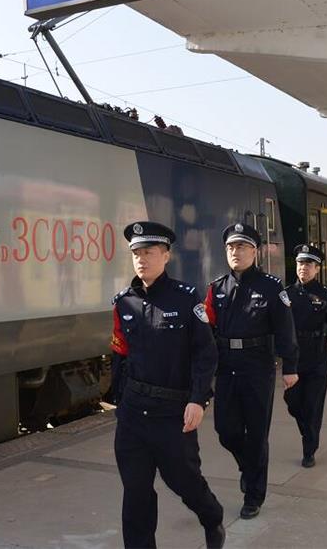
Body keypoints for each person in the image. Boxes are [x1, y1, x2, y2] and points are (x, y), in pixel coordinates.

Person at [110, 221, 225, 549]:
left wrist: (198, 399)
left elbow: (205, 353)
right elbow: (119, 355)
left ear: (166, 255)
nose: (141, 259)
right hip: (133, 416)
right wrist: (120, 402)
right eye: (136, 253)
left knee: (184, 482)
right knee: (136, 493)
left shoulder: (186, 299)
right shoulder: (124, 302)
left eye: (149, 252)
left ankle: (212, 516)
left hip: (172, 415)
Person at [204, 223, 298, 519]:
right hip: (227, 367)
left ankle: (253, 496)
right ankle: (249, 467)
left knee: (257, 433)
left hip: (258, 368)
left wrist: (290, 367)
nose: (236, 252)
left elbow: (285, 329)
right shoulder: (216, 288)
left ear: (255, 252)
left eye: (242, 247)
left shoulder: (271, 287)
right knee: (225, 431)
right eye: (231, 247)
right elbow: (207, 331)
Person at [283, 244, 327, 468]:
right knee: (292, 402)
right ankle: (307, 430)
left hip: (318, 357)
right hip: (294, 357)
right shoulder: (287, 294)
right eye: (300, 263)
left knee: (313, 405)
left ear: (317, 268)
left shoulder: (326, 295)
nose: (303, 268)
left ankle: (309, 449)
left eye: (308, 264)